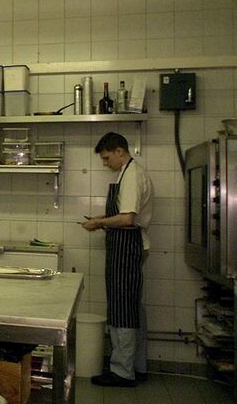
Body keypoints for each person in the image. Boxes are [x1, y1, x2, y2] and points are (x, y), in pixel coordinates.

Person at [81, 132, 153, 387]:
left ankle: (122, 372)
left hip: (127, 246)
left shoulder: (132, 175)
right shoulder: (129, 172)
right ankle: (137, 366)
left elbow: (127, 219)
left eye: (106, 157)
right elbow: (123, 214)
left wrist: (99, 221)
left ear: (120, 151)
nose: (105, 163)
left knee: (123, 307)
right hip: (127, 244)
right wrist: (100, 219)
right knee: (132, 307)